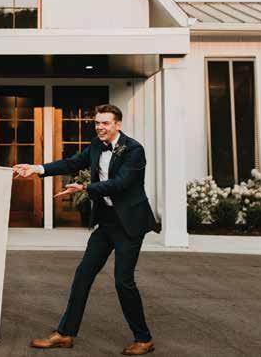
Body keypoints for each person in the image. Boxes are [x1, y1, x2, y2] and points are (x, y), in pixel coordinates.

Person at [13, 104, 157, 356]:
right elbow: (71, 163)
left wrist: (84, 188)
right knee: (83, 275)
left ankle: (144, 339)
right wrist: (37, 169)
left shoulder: (134, 150)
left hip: (130, 223)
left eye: (105, 123)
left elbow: (121, 184)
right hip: (107, 221)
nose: (100, 127)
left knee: (123, 282)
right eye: (97, 123)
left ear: (118, 124)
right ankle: (65, 334)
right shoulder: (95, 145)